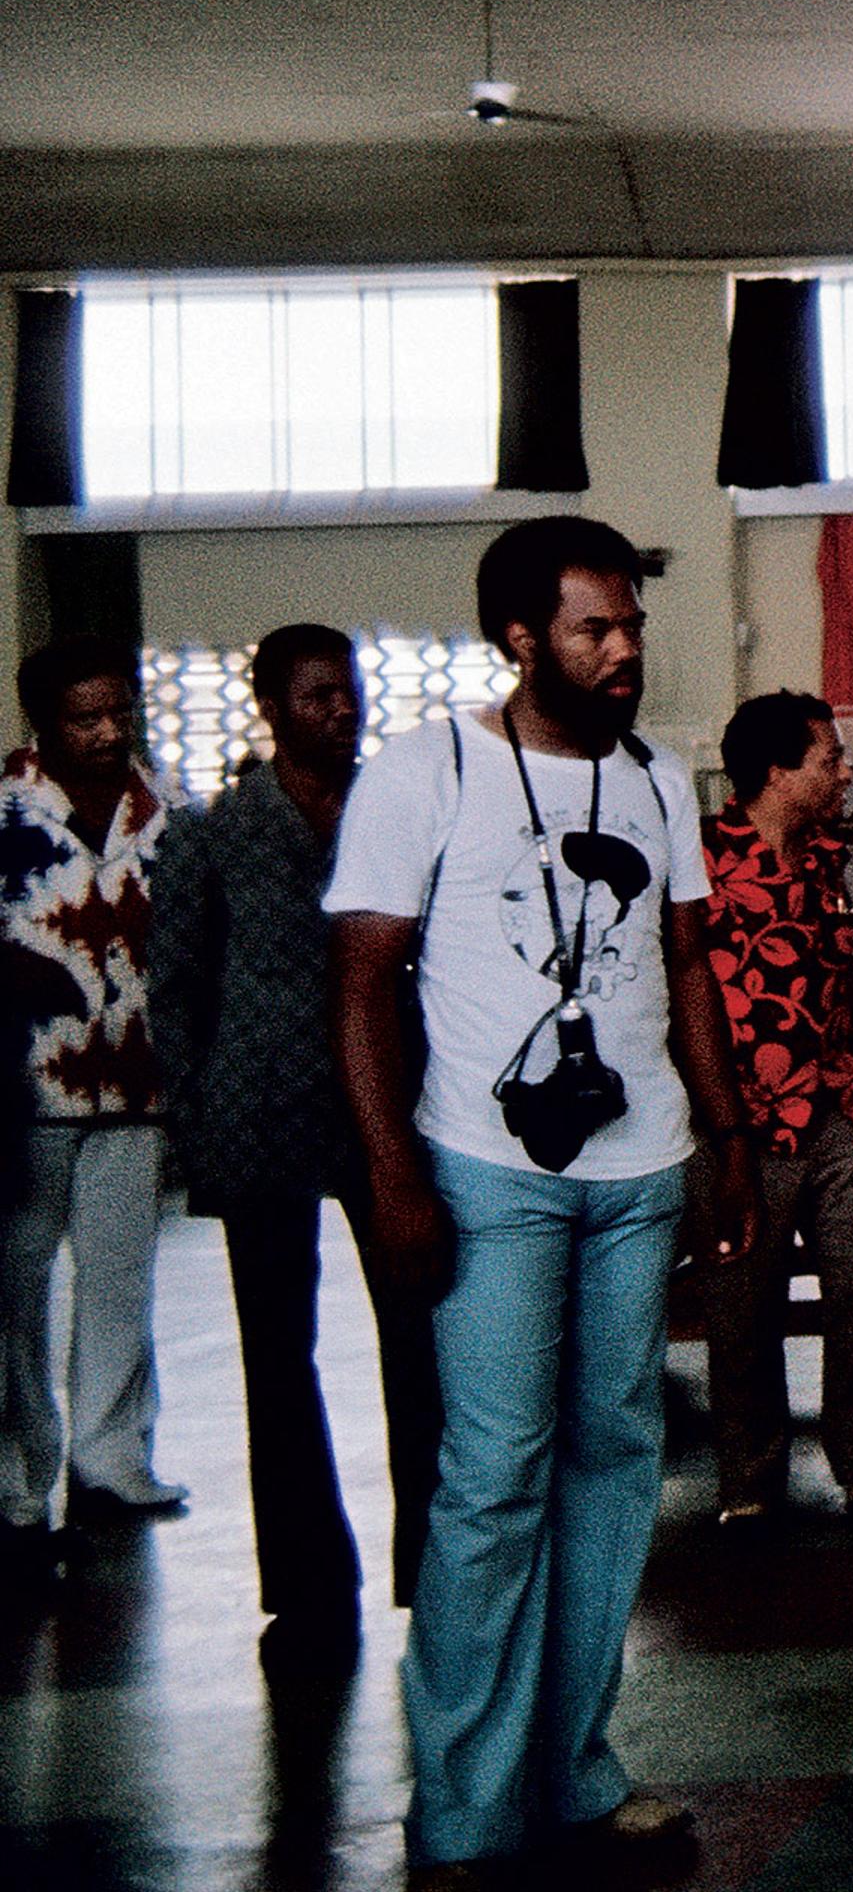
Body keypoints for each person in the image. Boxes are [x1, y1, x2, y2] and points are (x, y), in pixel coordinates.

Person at [325, 516, 764, 1884]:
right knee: (493, 1480)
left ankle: (578, 1771)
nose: (625, 650)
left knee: (616, 1470)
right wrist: (397, 1174)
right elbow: (361, 991)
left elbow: (685, 964)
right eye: (596, 629)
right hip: (489, 1175)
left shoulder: (648, 780)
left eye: (630, 625)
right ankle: (461, 1804)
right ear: (520, 639)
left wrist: (720, 1131)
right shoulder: (429, 770)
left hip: (639, 1174)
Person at [153, 625, 440, 1671]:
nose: (342, 711)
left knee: (418, 1343)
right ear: (270, 705)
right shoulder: (211, 835)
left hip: (386, 1111)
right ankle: (308, 1587)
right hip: (257, 1117)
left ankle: (435, 1568)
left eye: (349, 692)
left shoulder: (394, 816)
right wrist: (196, 1125)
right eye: (318, 696)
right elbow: (175, 993)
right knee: (279, 1359)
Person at [696, 693, 853, 1531]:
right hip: (742, 1127)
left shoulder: (833, 858)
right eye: (829, 760)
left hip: (840, 1109)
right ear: (777, 774)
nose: (845, 772)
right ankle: (750, 1479)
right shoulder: (700, 860)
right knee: (743, 1308)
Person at [0, 636, 185, 1555]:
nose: (111, 731)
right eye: (86, 718)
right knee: (14, 1292)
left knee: (121, 1282)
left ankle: (111, 1464)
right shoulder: (3, 809)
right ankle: (17, 1479)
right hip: (22, 1091)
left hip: (138, 1082)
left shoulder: (169, 810)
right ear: (43, 723)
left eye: (120, 710)